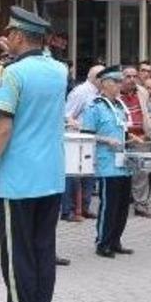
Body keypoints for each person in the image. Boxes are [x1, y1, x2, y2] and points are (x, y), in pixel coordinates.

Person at [0, 7, 67, 302]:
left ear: (17, 35)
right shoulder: (60, 70)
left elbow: (3, 127)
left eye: (10, 33)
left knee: (17, 260)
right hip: (51, 175)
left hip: (20, 178)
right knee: (43, 254)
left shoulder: (12, 75)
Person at [80, 66, 134, 257]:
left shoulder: (120, 106)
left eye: (120, 81)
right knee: (109, 206)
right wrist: (106, 140)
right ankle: (103, 242)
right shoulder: (95, 106)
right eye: (116, 81)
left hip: (124, 164)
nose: (120, 85)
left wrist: (131, 139)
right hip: (107, 164)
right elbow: (87, 135)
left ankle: (115, 240)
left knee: (122, 207)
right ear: (104, 83)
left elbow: (123, 130)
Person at [62, 64, 103, 221]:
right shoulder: (81, 92)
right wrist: (77, 125)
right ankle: (68, 210)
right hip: (76, 140)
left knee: (89, 176)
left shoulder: (98, 93)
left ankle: (84, 208)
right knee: (72, 177)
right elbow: (67, 114)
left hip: (90, 140)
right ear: (96, 78)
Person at [119, 66, 151, 218]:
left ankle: (140, 205)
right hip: (122, 138)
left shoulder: (143, 92)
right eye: (128, 76)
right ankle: (120, 204)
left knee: (141, 173)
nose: (132, 79)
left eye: (134, 76)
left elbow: (149, 110)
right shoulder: (115, 92)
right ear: (122, 78)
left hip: (141, 138)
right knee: (121, 172)